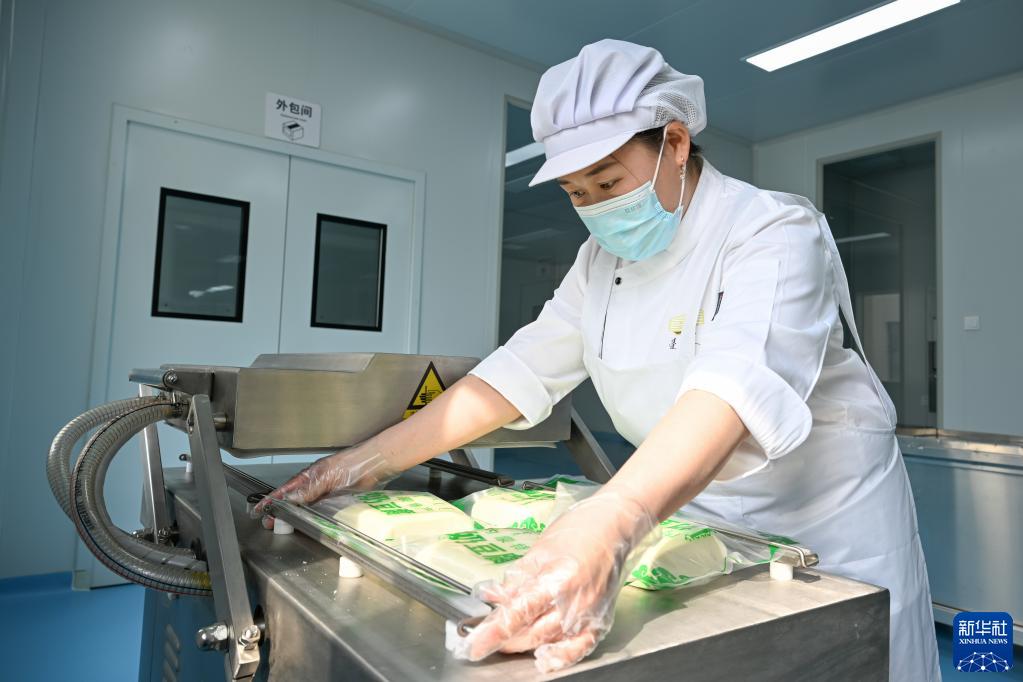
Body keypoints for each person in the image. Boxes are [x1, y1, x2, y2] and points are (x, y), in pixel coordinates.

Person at [257, 39, 940, 678]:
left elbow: (734, 389)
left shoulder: (772, 231)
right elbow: (516, 374)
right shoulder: (599, 261)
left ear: (675, 143)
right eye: (576, 194)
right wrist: (363, 462)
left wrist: (610, 522)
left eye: (608, 182)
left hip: (826, 518)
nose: (595, 209)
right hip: (691, 503)